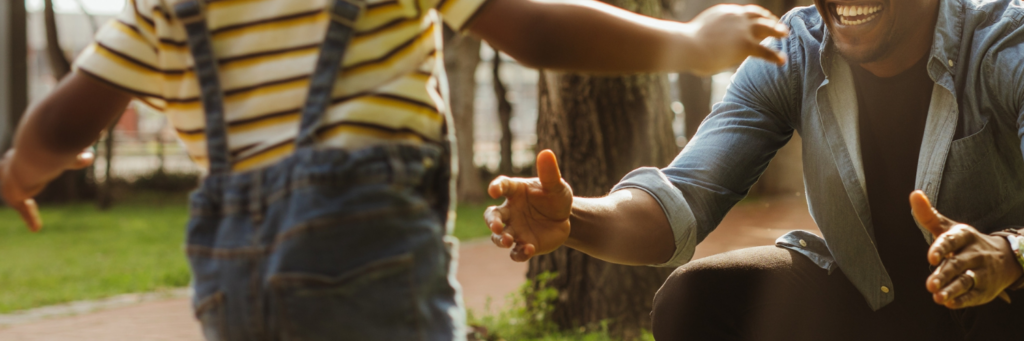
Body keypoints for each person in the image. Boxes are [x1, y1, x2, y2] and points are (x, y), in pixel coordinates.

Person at [0, 0, 788, 339]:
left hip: (234, 272)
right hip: (366, 247)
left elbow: (63, 118)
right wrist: (687, 42)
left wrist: (24, 170)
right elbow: (538, 29)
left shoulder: (165, 9)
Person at [486, 0, 1024, 339]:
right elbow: (681, 199)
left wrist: (1007, 253)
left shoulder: (1003, 41)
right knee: (697, 298)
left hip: (1000, 310)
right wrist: (574, 218)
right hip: (875, 305)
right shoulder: (793, 49)